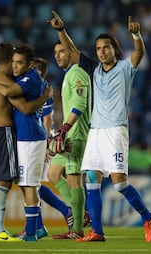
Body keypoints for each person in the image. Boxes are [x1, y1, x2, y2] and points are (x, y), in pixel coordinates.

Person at [49, 11, 151, 242]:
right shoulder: (94, 70)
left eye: (106, 47)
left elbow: (139, 52)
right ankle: (97, 231)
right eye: (98, 48)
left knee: (119, 185)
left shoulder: (125, 69)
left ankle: (148, 218)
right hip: (95, 132)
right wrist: (61, 30)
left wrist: (136, 34)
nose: (102, 52)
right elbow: (73, 51)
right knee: (91, 181)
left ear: (114, 50)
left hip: (116, 131)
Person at [0, 44, 53, 242]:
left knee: (6, 182)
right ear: (10, 60)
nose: (16, 65)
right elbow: (25, 107)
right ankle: (0, 230)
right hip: (7, 133)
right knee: (7, 182)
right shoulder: (7, 81)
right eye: (14, 61)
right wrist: (44, 98)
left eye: (20, 62)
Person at [45, 38, 92, 240]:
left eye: (62, 51)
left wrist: (64, 128)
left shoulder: (78, 73)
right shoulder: (68, 76)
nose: (57, 55)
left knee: (74, 180)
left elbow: (80, 104)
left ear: (72, 54)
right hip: (67, 134)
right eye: (55, 52)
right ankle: (81, 214)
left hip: (76, 133)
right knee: (53, 174)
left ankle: (78, 229)